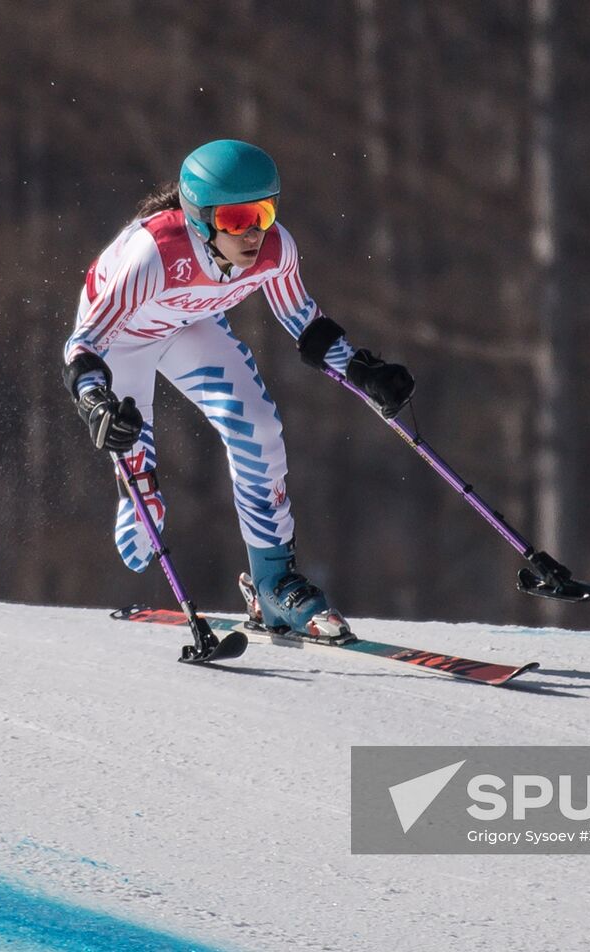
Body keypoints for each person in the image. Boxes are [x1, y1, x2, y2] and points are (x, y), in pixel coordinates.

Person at [63, 139, 414, 635]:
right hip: (122, 342)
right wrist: (96, 403)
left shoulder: (275, 248)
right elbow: (85, 343)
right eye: (234, 220)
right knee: (141, 531)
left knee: (260, 428)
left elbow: (303, 322)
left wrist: (363, 370)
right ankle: (137, 489)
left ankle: (275, 586)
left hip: (189, 327)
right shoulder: (153, 256)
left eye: (264, 212)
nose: (253, 232)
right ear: (201, 219)